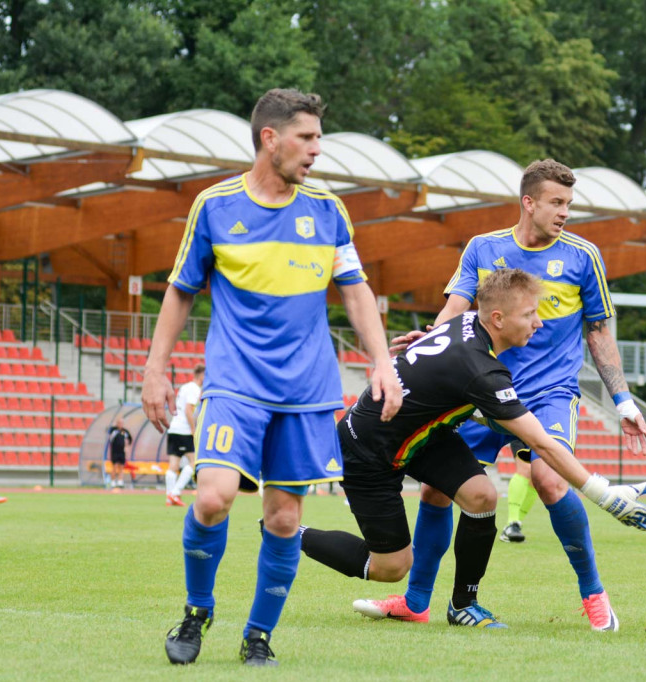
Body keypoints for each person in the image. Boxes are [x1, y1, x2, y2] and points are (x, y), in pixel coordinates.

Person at [140, 88, 401, 667]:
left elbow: (356, 293)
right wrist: (155, 369)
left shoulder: (328, 210)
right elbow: (181, 290)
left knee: (285, 518)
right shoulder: (215, 205)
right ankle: (198, 610)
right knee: (212, 497)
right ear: (270, 138)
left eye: (317, 139)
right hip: (235, 380)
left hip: (307, 390)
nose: (316, 150)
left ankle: (258, 634)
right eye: (306, 138)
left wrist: (381, 361)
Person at [355, 159, 646, 632]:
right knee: (436, 488)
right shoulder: (483, 248)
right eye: (557, 203)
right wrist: (431, 340)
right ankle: (416, 603)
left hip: (546, 392)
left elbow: (598, 331)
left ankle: (594, 595)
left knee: (550, 479)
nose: (565, 212)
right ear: (528, 202)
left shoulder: (583, 256)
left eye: (569, 204)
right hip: (477, 393)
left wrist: (623, 401)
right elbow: (456, 310)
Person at [299, 269, 646, 628]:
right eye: (529, 315)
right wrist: (604, 495)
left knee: (482, 496)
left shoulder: (471, 324)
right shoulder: (481, 369)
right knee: (391, 567)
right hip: (367, 452)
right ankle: (288, 533)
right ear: (498, 319)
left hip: (421, 436)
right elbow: (540, 443)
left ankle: (463, 605)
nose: (538, 323)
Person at [164, 363, 205, 507]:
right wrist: (193, 429)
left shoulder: (185, 387)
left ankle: (169, 498)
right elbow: (189, 410)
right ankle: (175, 493)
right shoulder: (194, 389)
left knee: (173, 465)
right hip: (184, 430)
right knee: (193, 463)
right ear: (202, 375)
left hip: (174, 428)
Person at [499, 440, 539, 543]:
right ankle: (513, 522)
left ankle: (512, 527)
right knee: (525, 469)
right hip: (521, 432)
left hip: (542, 434)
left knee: (536, 478)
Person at [107, 417, 133, 488]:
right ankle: (112, 481)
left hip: (122, 451)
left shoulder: (125, 432)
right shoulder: (113, 430)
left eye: (122, 423)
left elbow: (130, 439)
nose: (120, 424)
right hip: (115, 451)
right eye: (119, 423)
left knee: (121, 466)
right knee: (114, 466)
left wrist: (127, 446)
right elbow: (108, 433)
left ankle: (120, 481)